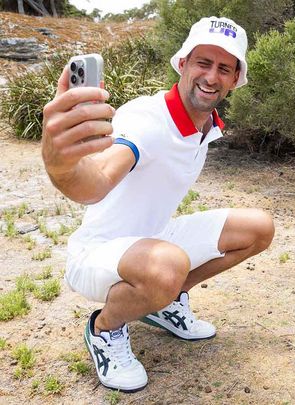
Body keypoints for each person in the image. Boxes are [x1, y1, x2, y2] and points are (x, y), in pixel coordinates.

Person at [41, 16, 274, 392]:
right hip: (98, 255)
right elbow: (97, 182)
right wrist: (59, 160)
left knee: (258, 228)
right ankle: (105, 329)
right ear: (182, 64)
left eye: (224, 68)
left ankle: (163, 301)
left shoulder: (206, 124)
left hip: (155, 239)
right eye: (203, 63)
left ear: (235, 80)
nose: (212, 77)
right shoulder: (148, 119)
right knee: (167, 264)